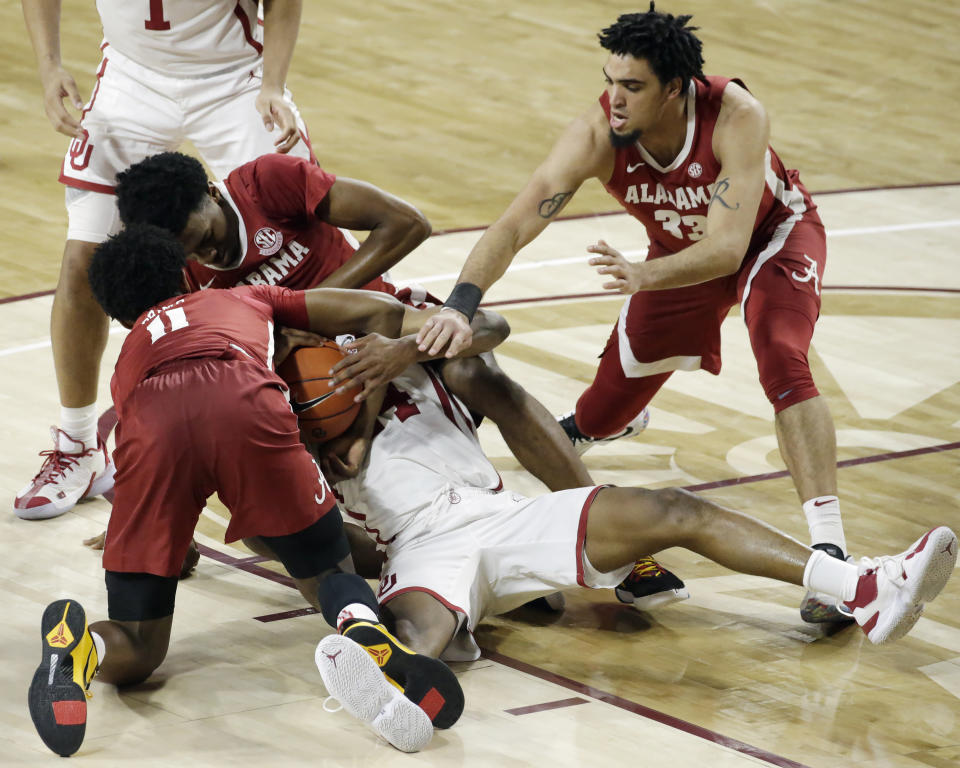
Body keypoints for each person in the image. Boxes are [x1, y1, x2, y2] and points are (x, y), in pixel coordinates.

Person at [416, 5, 854, 622]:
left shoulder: (735, 115)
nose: (613, 99)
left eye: (632, 86)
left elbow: (728, 249)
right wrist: (462, 304)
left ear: (676, 89)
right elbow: (515, 223)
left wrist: (644, 275)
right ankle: (603, 424)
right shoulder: (597, 134)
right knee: (600, 409)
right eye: (609, 81)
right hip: (678, 258)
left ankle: (831, 556)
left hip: (772, 238)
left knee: (781, 351)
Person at [113, 150, 688, 609]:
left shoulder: (266, 184)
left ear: (213, 194)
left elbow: (408, 222)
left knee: (476, 367)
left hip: (385, 328)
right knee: (265, 501)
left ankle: (623, 548)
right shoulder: (181, 276)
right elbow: (187, 400)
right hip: (315, 388)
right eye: (192, 250)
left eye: (206, 233)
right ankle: (472, 568)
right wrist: (169, 529)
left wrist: (314, 305)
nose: (208, 253)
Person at [27, 223, 482, 758]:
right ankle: (361, 628)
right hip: (243, 396)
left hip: (150, 419)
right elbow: (370, 309)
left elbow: (163, 459)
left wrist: (172, 544)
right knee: (329, 572)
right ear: (183, 275)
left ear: (120, 316)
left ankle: (85, 649)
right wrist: (366, 370)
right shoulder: (243, 295)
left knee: (141, 643)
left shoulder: (127, 364)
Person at [320, 338, 957, 673]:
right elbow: (281, 525)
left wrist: (406, 346)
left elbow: (483, 328)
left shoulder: (401, 337)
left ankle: (865, 589)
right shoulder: (294, 419)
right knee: (420, 637)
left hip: (503, 512)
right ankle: (391, 687)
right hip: (421, 543)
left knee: (675, 510)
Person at [16, 0, 314, 521]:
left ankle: (338, 419)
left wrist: (273, 84)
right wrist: (49, 65)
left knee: (297, 245)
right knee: (84, 262)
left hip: (235, 80)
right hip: (131, 80)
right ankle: (78, 447)